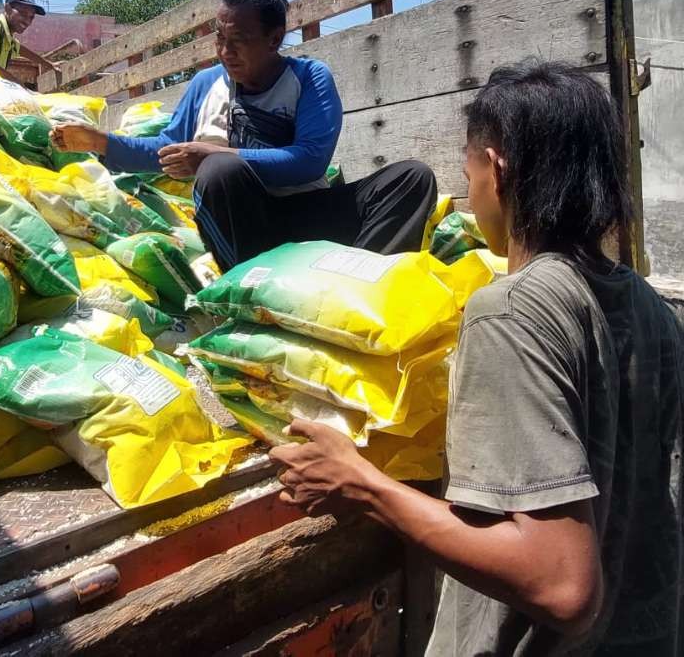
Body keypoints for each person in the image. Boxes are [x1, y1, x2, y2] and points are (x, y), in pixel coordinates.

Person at [270, 61, 683, 655]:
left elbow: (563, 586)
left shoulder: (510, 312)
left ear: (496, 165)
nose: (465, 189)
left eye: (467, 165)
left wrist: (361, 484)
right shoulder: (650, 309)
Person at [51, 0, 437, 271]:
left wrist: (216, 152)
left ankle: (361, 280)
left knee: (412, 178)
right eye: (220, 38)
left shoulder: (309, 78)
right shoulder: (206, 84)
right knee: (218, 169)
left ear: (274, 40)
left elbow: (311, 161)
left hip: (307, 213)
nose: (224, 50)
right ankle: (249, 285)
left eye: (239, 40)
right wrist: (100, 142)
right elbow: (167, 150)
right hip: (247, 227)